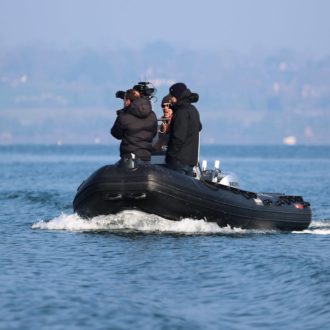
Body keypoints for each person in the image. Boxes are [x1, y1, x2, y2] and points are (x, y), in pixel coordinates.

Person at [111, 88, 158, 164]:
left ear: (128, 101)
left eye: (125, 100)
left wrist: (122, 113)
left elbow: (115, 133)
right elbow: (154, 133)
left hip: (129, 158)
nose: (124, 102)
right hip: (146, 157)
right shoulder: (152, 115)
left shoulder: (124, 116)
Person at [165, 82, 202, 176]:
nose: (170, 99)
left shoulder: (181, 112)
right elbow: (199, 127)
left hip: (179, 160)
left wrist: (170, 155)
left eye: (172, 96)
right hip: (190, 160)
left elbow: (178, 137)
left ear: (177, 96)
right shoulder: (193, 110)